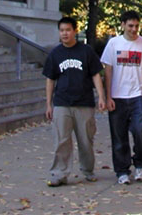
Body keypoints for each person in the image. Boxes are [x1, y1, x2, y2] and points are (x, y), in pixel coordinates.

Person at [43, 17, 106, 187]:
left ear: (75, 31)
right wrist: (49, 104)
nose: (65, 33)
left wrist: (101, 97)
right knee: (61, 140)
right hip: (62, 103)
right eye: (62, 30)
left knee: (86, 140)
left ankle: (88, 170)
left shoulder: (86, 51)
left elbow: (95, 75)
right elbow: (50, 79)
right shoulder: (55, 54)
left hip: (84, 103)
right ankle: (59, 173)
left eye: (68, 30)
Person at [100, 10, 142, 185]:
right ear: (123, 25)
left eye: (136, 26)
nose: (134, 29)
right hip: (118, 96)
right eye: (130, 26)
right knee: (119, 136)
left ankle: (139, 164)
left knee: (140, 129)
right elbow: (108, 71)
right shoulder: (113, 44)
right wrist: (108, 95)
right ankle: (122, 171)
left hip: (139, 95)